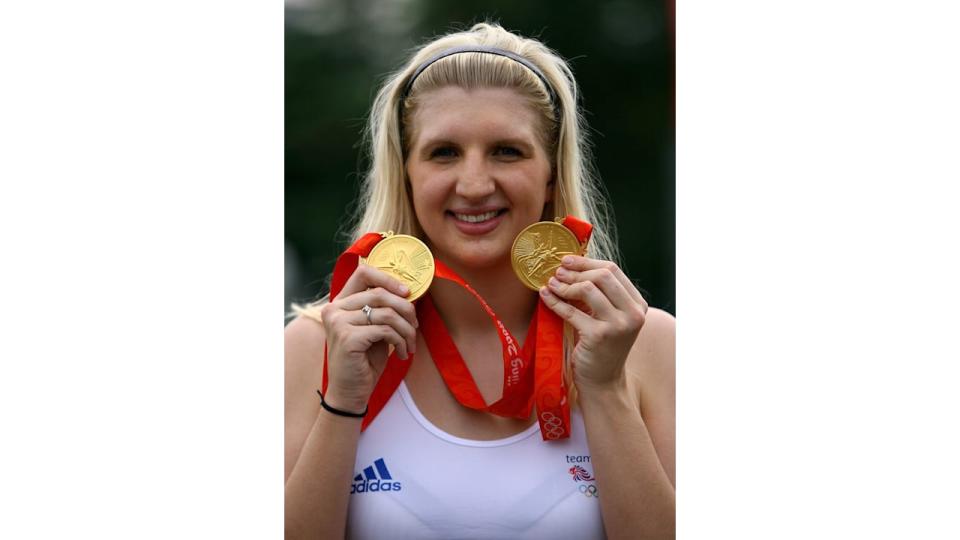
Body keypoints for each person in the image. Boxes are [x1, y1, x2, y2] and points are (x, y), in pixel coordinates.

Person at [285, 22, 675, 539]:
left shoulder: (647, 343)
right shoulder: (316, 348)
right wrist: (344, 401)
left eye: (507, 151)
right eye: (443, 152)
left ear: (551, 173)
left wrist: (604, 390)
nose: (473, 184)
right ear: (406, 172)